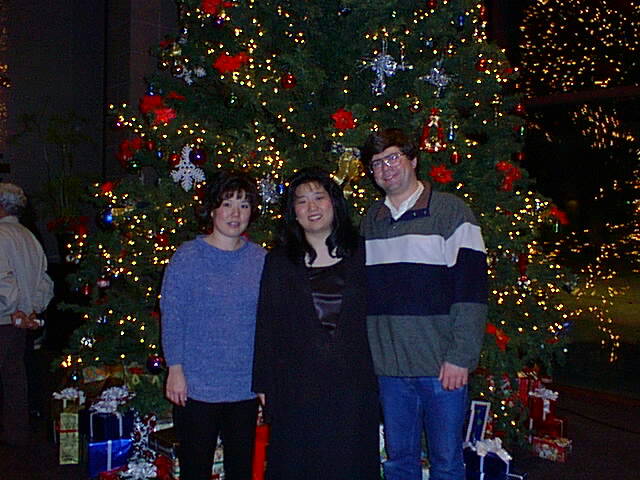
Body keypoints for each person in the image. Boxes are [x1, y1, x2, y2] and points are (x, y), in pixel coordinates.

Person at [360, 129, 488, 480]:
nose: (385, 169)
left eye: (392, 158)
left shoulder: (451, 213)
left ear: (413, 160)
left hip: (440, 369)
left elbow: (471, 291)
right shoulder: (371, 222)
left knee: (446, 463)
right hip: (390, 370)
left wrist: (461, 356)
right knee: (399, 463)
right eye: (376, 164)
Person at [252, 168, 379, 480]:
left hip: (354, 386)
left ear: (334, 203)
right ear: (292, 212)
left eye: (319, 198)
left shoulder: (365, 253)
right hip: (296, 389)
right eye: (302, 201)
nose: (312, 207)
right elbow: (266, 324)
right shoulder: (279, 260)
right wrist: (264, 384)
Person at [160, 170, 266, 480]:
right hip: (196, 386)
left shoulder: (260, 259)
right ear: (212, 208)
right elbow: (173, 316)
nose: (235, 214)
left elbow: (267, 325)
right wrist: (175, 370)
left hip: (243, 388)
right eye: (228, 204)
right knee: (195, 468)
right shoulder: (188, 257)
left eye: (244, 205)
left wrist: (264, 383)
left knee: (241, 470)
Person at [0, 183, 54, 446]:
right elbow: (45, 282)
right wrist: (32, 310)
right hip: (22, 321)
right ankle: (17, 435)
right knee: (15, 379)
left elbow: (3, 281)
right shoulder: (29, 236)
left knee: (11, 379)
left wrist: (13, 310)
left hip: (4, 321)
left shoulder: (0, 234)